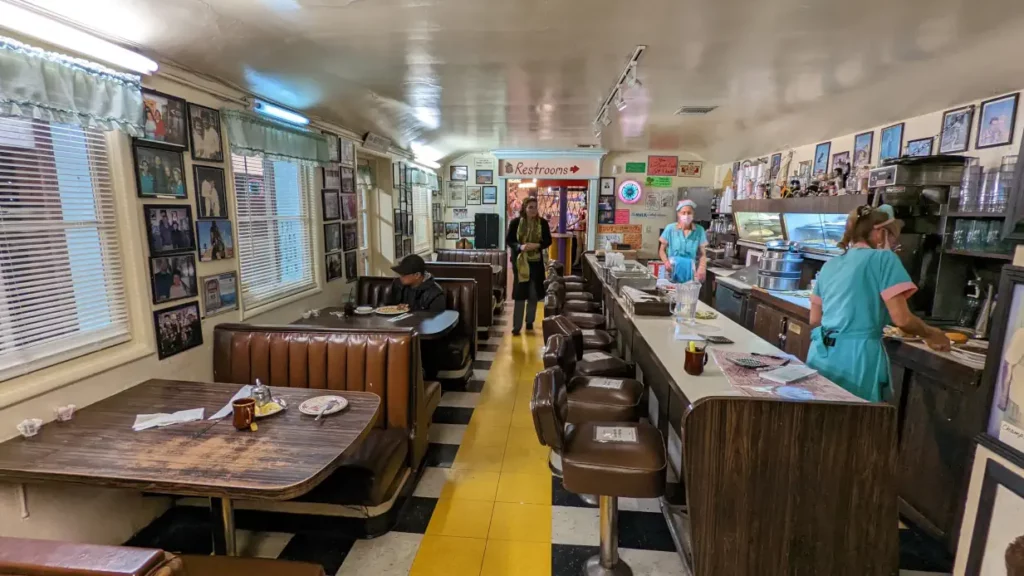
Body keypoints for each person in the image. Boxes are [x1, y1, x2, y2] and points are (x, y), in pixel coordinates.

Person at [808, 205, 949, 402]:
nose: (893, 243)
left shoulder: (830, 264)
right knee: (855, 424)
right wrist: (933, 334)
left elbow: (815, 319)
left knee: (821, 422)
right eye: (892, 237)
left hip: (821, 354)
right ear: (879, 232)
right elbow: (902, 319)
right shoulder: (884, 259)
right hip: (856, 359)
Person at [506, 196, 552, 335]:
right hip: (520, 263)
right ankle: (516, 326)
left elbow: (548, 240)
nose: (533, 210)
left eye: (535, 207)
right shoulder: (515, 223)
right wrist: (520, 247)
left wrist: (537, 245)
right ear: (524, 209)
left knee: (533, 293)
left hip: (536, 262)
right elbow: (510, 240)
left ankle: (530, 321)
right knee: (520, 294)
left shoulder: (542, 223)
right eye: (530, 207)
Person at [659, 199, 708, 284]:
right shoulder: (670, 229)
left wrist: (702, 267)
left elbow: (703, 254)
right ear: (678, 214)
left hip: (689, 270)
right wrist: (666, 262)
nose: (686, 215)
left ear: (693, 215)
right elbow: (661, 250)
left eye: (689, 213)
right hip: (672, 269)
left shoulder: (699, 230)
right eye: (683, 213)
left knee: (687, 294)